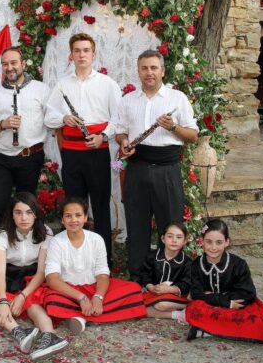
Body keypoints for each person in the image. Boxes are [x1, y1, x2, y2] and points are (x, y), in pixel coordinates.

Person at [114, 49, 198, 281]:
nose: (149, 73)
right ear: (138, 71)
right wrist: (123, 143)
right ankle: (139, 276)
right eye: (144, 68)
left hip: (167, 169)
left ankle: (171, 276)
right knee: (137, 223)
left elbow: (192, 135)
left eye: (153, 68)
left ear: (162, 71)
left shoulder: (177, 99)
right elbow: (120, 131)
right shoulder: (127, 100)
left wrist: (173, 127)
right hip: (137, 167)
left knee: (170, 224)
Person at [45, 33, 120, 265]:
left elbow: (119, 118)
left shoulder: (107, 84)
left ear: (93, 54)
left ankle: (103, 258)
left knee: (100, 205)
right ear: (71, 54)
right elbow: (49, 117)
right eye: (77, 50)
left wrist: (103, 137)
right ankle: (76, 258)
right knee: (75, 208)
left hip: (97, 150)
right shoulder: (62, 84)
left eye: (86, 50)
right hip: (72, 154)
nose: (81, 55)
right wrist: (63, 117)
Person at [0, 192, 68, 361]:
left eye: (28, 212)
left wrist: (23, 296)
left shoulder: (45, 232)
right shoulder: (3, 233)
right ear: (12, 215)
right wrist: (3, 301)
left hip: (32, 278)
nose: (23, 217)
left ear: (35, 214)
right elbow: (0, 271)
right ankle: (18, 331)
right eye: (18, 212)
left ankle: (50, 336)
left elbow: (41, 272)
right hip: (9, 275)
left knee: (33, 302)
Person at [0, 47, 50, 253]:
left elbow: (52, 118)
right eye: (5, 64)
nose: (9, 67)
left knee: (27, 208)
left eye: (13, 63)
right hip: (2, 158)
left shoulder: (41, 89)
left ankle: (28, 252)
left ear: (23, 64)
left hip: (30, 157)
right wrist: (2, 124)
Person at [43, 197, 146, 333]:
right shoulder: (56, 242)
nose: (74, 220)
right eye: (68, 216)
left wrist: (98, 297)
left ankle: (77, 315)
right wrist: (81, 297)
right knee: (51, 300)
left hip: (94, 288)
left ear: (85, 218)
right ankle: (92, 313)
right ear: (62, 220)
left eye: (78, 215)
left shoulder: (96, 240)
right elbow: (52, 279)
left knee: (133, 289)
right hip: (68, 291)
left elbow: (102, 274)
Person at [186, 219, 263, 343]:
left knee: (257, 320)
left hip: (235, 306)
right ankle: (221, 330)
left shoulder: (238, 264)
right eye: (209, 242)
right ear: (202, 242)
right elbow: (196, 293)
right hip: (212, 306)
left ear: (227, 242)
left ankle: (204, 331)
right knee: (193, 308)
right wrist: (224, 302)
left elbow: (248, 293)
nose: (213, 247)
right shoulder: (195, 265)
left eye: (219, 242)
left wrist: (215, 297)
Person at [137, 222, 191, 320]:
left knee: (160, 305)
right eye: (170, 236)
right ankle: (178, 315)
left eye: (179, 237)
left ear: (185, 241)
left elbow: (187, 283)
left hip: (174, 297)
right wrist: (150, 286)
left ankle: (189, 306)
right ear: (163, 239)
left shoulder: (187, 262)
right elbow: (144, 273)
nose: (174, 240)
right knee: (135, 304)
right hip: (152, 294)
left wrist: (171, 289)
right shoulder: (152, 256)